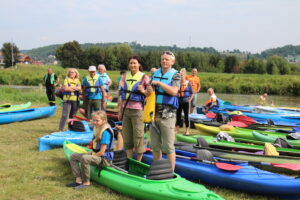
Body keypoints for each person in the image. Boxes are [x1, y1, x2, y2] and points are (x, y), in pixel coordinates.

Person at [146, 51, 181, 170]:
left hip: (168, 114)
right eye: (162, 59)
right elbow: (148, 92)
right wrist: (147, 90)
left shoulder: (176, 75)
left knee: (168, 146)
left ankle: (170, 171)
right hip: (153, 113)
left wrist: (159, 83)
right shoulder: (155, 73)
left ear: (172, 62)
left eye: (167, 59)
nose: (164, 61)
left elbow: (174, 91)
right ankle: (158, 169)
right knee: (155, 145)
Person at [66, 111, 114, 189]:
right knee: (73, 156)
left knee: (85, 158)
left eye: (97, 120)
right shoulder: (97, 128)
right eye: (93, 120)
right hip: (97, 155)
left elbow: (102, 152)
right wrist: (90, 152)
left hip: (105, 159)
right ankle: (78, 180)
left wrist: (90, 155)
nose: (95, 122)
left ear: (104, 121)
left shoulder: (105, 132)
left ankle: (86, 183)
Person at [118, 55, 150, 161]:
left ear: (139, 64)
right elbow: (121, 94)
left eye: (135, 63)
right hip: (126, 109)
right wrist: (120, 111)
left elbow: (150, 93)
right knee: (127, 136)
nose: (132, 65)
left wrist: (143, 91)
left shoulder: (144, 77)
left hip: (138, 110)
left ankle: (138, 161)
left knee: (138, 136)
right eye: (131, 63)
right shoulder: (124, 76)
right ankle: (129, 159)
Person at [176, 68, 194, 135]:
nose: (181, 77)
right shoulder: (178, 83)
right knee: (178, 116)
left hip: (186, 102)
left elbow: (192, 93)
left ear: (184, 75)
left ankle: (187, 130)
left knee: (186, 116)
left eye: (182, 75)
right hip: (179, 102)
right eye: (180, 75)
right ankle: (177, 130)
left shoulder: (188, 83)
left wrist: (189, 100)